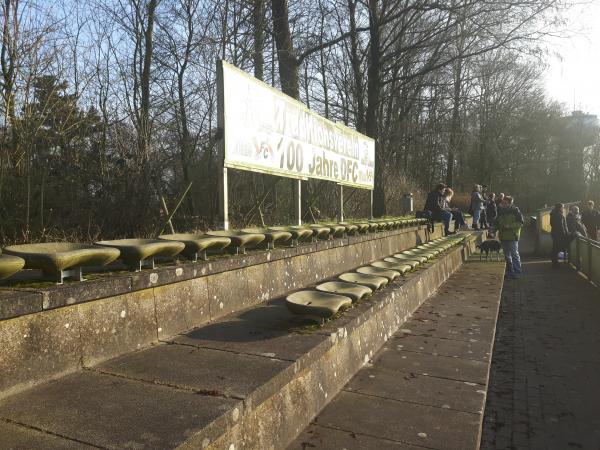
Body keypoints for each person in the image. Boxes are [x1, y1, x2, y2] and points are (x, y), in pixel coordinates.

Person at [495, 195, 524, 279]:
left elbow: (520, 223)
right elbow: (497, 223)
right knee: (506, 256)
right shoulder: (500, 211)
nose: (502, 204)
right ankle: (509, 272)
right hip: (503, 236)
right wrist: (493, 230)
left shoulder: (515, 210)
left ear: (510, 203)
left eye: (505, 203)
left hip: (513, 236)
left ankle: (517, 272)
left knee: (514, 254)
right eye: (502, 202)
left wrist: (509, 226)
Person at [550, 203, 569, 268]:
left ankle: (554, 263)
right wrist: (565, 234)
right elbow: (561, 226)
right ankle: (555, 264)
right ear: (559, 208)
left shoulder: (553, 214)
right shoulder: (559, 215)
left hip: (554, 233)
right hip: (559, 234)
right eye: (562, 207)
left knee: (555, 249)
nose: (563, 208)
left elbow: (552, 224)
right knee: (556, 249)